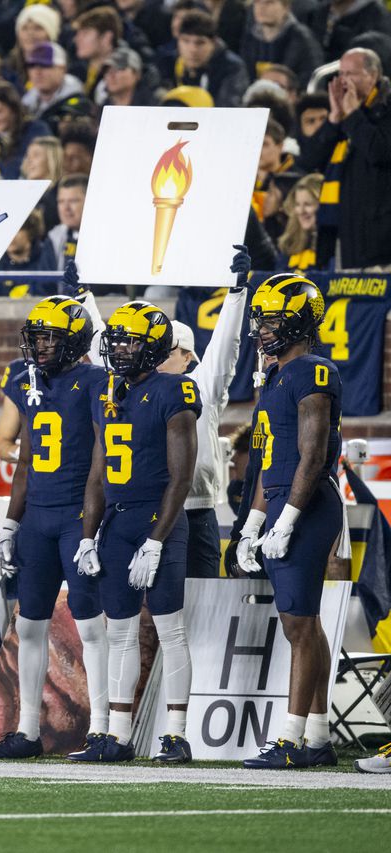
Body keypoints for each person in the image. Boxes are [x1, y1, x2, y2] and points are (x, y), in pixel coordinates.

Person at [0, 296, 109, 759]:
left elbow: (101, 458)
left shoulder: (96, 381)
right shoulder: (27, 382)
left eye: (51, 336)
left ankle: (102, 728)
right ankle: (28, 730)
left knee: (90, 625)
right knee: (30, 625)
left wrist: (94, 528)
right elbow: (24, 462)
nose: (41, 345)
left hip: (77, 514)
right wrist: (11, 523)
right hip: (37, 516)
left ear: (75, 339)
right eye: (37, 336)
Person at [77, 302, 200, 763]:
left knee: (170, 629)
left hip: (159, 519)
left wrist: (155, 539)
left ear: (153, 347)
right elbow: (96, 472)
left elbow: (180, 478)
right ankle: (118, 735)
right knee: (119, 634)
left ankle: (175, 734)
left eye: (130, 339)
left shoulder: (176, 389)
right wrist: (88, 535)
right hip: (118, 521)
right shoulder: (108, 391)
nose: (120, 348)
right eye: (117, 339)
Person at [237, 274, 343, 769]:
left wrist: (288, 519)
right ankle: (318, 736)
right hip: (282, 501)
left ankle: (291, 738)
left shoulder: (311, 372)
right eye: (261, 317)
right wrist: (255, 520)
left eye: (274, 318)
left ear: (301, 319)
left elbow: (312, 453)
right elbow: (267, 458)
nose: (262, 327)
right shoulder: (278, 374)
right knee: (303, 624)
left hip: (308, 504)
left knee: (299, 625)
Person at [162, 248, 251, 579]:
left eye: (166, 352)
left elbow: (225, 345)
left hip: (197, 512)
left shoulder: (203, 386)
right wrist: (84, 298)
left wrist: (237, 293)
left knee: (200, 607)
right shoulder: (137, 388)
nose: (157, 359)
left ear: (188, 357)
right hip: (151, 513)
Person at [298, 48, 391, 271]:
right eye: (341, 74)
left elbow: (379, 151)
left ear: (373, 75)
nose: (344, 81)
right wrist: (333, 119)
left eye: (352, 74)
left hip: (381, 241)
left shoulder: (385, 110)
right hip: (342, 235)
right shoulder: (343, 115)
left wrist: (352, 116)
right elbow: (310, 159)